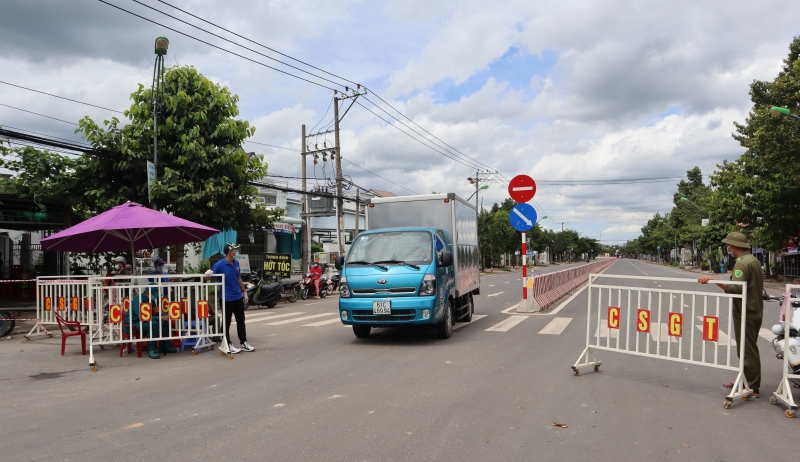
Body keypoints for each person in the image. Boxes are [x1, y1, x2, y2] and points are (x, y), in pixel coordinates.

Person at [698, 232, 764, 397]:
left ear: (733, 246)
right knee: (748, 348)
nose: (728, 247)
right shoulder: (754, 260)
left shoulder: (741, 264)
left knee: (747, 350)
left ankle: (753, 387)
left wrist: (713, 280)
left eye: (729, 245)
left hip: (745, 311)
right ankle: (745, 381)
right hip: (755, 309)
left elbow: (736, 288)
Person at [204, 243, 254, 353]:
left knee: (241, 320)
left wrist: (244, 292)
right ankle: (227, 343)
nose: (236, 252)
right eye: (234, 250)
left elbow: (238, 277)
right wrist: (207, 275)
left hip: (237, 297)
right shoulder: (220, 264)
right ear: (229, 252)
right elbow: (208, 277)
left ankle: (243, 343)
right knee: (226, 322)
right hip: (226, 298)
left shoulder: (236, 263)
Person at [124, 288, 177, 359]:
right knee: (154, 324)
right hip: (132, 325)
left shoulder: (151, 301)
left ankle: (165, 346)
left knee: (165, 320)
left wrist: (163, 316)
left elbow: (155, 313)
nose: (154, 297)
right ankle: (152, 350)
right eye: (153, 295)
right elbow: (143, 317)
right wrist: (160, 318)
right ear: (147, 293)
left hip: (143, 323)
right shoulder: (137, 301)